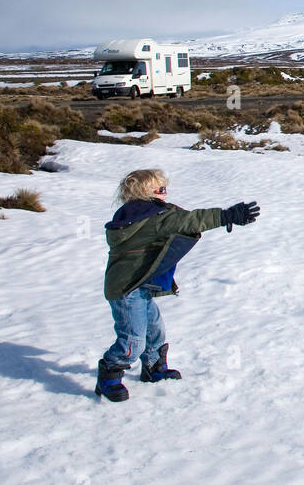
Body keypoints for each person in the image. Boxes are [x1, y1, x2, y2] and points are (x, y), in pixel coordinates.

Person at [96, 168, 260, 402]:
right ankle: (110, 374)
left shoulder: (137, 213)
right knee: (133, 338)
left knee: (155, 330)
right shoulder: (151, 218)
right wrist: (226, 216)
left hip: (138, 286)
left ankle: (154, 367)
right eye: (160, 189)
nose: (166, 192)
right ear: (145, 193)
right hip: (126, 289)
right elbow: (190, 220)